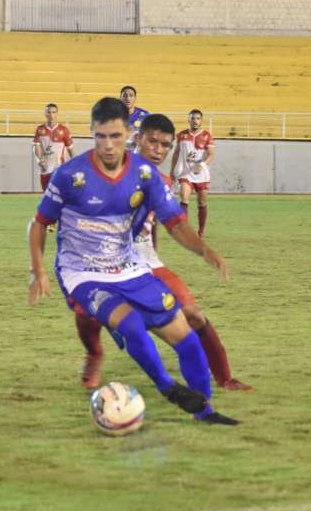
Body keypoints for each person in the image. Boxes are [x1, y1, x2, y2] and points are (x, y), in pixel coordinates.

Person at [28, 96, 238, 425]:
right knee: (124, 323)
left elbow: (175, 224)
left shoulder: (148, 177)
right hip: (82, 271)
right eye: (101, 136)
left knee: (187, 328)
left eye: (115, 136)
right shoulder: (71, 174)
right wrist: (38, 270)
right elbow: (40, 222)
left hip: (131, 264)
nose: (108, 145)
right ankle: (160, 384)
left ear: (127, 133)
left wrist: (204, 249)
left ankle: (206, 408)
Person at [76, 113, 253, 392]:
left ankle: (225, 378)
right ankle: (94, 354)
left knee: (193, 315)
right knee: (86, 306)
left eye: (164, 145)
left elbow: (163, 223)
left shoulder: (161, 179)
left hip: (145, 260)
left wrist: (199, 251)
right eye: (152, 142)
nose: (158, 150)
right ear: (138, 139)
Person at [170, 108, 215, 236]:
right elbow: (176, 153)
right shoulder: (181, 135)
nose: (195, 121)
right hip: (186, 174)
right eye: (193, 118)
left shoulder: (207, 135)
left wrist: (201, 165)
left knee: (202, 203)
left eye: (198, 118)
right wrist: (172, 171)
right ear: (188, 120)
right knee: (184, 199)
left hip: (202, 174)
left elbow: (211, 155)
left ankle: (201, 231)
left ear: (201, 120)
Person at [32, 103, 75, 190]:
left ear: (57, 113)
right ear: (45, 114)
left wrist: (76, 166)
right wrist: (39, 160)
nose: (51, 115)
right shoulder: (40, 129)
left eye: (54, 112)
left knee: (60, 197)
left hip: (59, 170)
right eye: (49, 112)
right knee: (47, 198)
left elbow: (71, 150)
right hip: (45, 169)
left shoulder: (64, 130)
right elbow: (36, 146)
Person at [119, 85, 150, 151]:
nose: (128, 98)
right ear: (120, 98)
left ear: (135, 98)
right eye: (125, 95)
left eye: (131, 95)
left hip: (137, 154)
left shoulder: (144, 115)